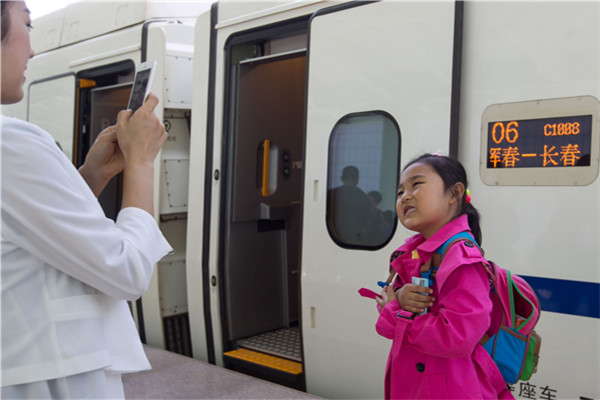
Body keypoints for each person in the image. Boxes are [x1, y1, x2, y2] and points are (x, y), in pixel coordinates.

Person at [1, 1, 172, 398]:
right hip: (48, 379)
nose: (31, 50)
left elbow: (22, 229)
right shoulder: (13, 143)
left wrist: (90, 177)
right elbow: (126, 271)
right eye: (27, 24)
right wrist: (141, 163)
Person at [373, 154, 512, 399]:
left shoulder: (461, 258)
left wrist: (396, 316)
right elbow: (399, 301)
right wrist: (402, 298)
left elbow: (458, 336)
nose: (405, 195)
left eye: (416, 184)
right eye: (399, 191)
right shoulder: (421, 252)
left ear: (454, 193)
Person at [329, 165, 370, 244]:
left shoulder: (332, 194)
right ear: (357, 179)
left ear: (342, 178)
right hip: (357, 236)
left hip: (335, 233)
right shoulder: (364, 198)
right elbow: (366, 219)